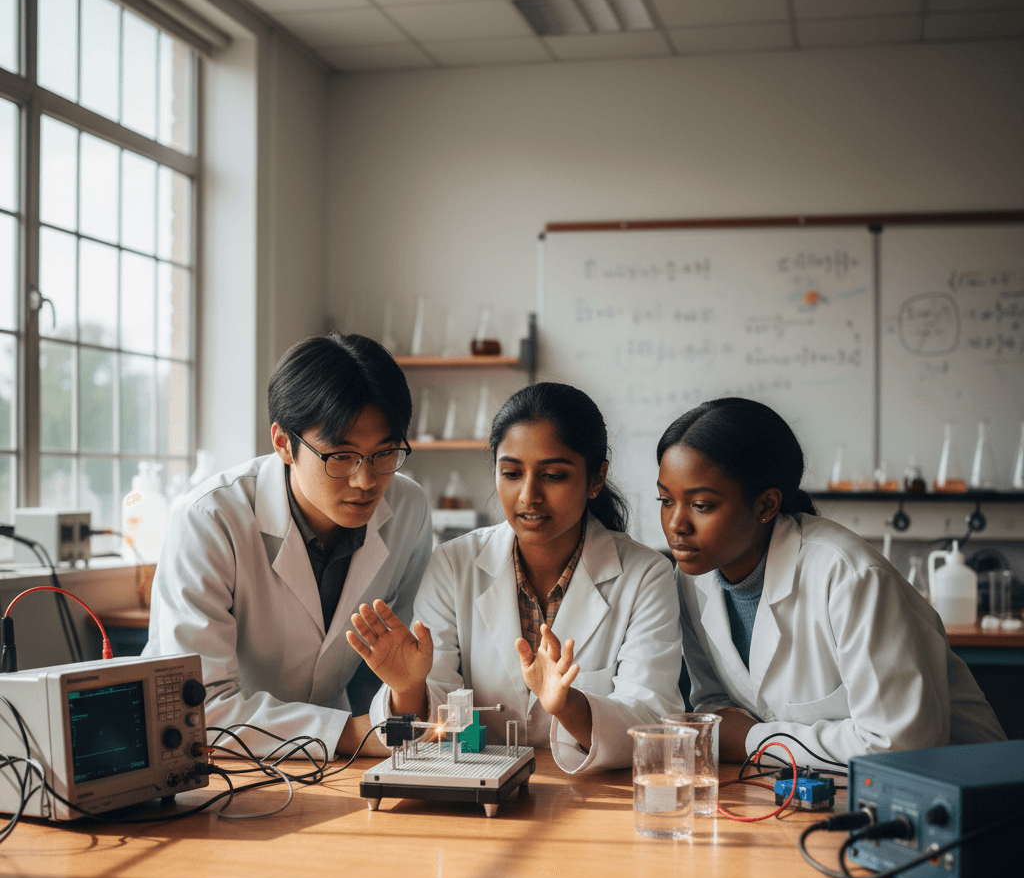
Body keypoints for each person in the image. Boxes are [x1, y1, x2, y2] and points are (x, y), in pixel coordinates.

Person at [347, 382, 686, 773]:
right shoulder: (454, 565)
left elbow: (654, 721)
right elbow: (434, 721)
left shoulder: (646, 576)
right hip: (476, 793)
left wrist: (567, 705)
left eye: (554, 476)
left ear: (595, 479)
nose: (528, 495)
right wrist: (408, 689)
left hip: (593, 798)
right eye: (511, 473)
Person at [656, 397, 1006, 767]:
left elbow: (899, 745)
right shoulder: (692, 580)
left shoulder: (848, 576)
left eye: (702, 505)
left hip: (959, 789)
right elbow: (718, 710)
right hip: (803, 789)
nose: (676, 525)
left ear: (765, 506)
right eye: (665, 500)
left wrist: (753, 740)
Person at [144, 333, 431, 760]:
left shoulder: (407, 508)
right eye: (341, 456)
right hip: (217, 764)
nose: (366, 481)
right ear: (283, 443)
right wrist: (355, 735)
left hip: (335, 762)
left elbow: (396, 668)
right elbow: (198, 709)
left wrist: (397, 705)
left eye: (384, 453)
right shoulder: (210, 519)